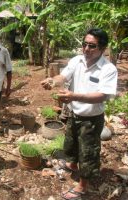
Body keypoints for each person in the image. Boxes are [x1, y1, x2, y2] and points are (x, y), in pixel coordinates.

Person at [41, 28, 118, 200]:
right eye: (84, 44)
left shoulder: (108, 69)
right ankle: (72, 164)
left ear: (103, 48)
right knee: (71, 143)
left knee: (88, 153)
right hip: (75, 114)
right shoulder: (77, 61)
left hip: (91, 119)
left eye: (92, 46)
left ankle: (83, 186)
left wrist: (74, 96)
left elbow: (102, 95)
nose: (86, 49)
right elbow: (64, 76)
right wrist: (53, 81)